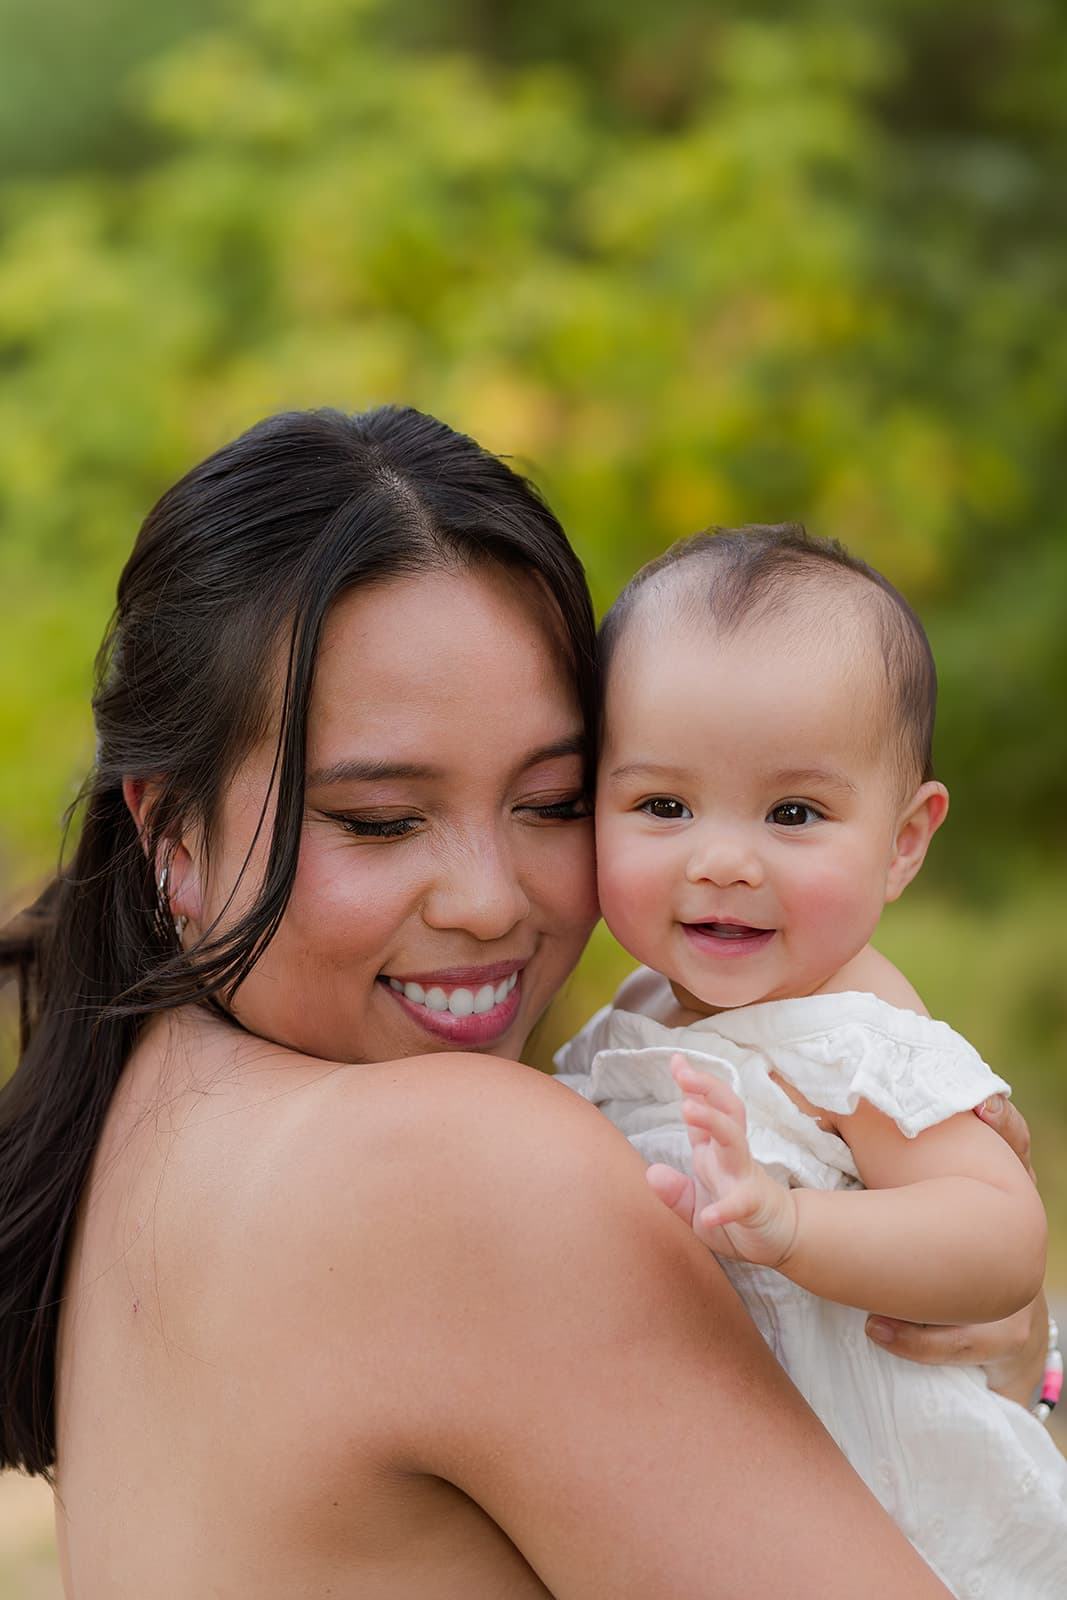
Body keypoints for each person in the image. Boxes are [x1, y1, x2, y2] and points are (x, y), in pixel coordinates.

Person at [0, 415, 1042, 1599]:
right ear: (167, 831)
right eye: (380, 820)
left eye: (548, 802)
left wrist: (985, 1362)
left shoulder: (143, 1099)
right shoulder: (466, 1166)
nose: (491, 905)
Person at [556, 523, 1067, 1596]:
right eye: (662, 805)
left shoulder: (851, 1036)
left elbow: (998, 1235)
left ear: (901, 841)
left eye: (792, 812)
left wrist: (795, 1226)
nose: (723, 858)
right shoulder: (631, 1020)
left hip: (913, 1532)